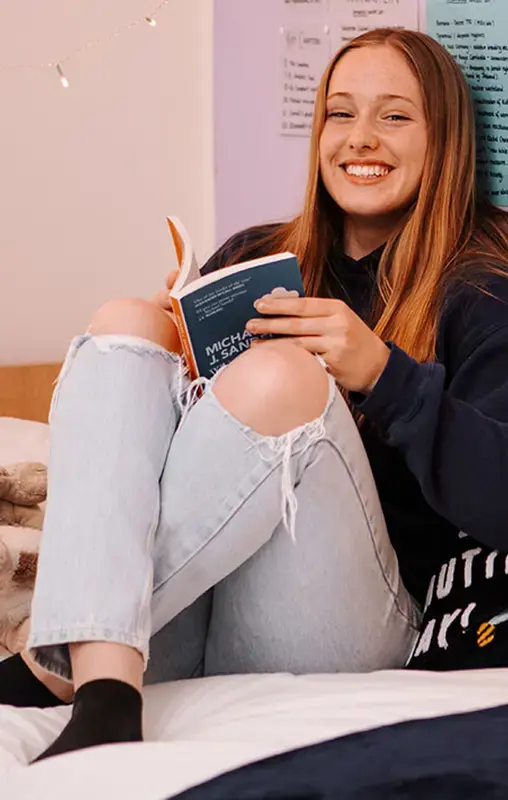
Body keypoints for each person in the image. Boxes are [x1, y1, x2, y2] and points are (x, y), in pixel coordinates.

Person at [2, 26, 508, 762]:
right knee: (127, 323)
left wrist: (384, 376)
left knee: (284, 376)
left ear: (446, 139)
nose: (361, 137)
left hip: (347, 619)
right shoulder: (255, 254)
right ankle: (106, 687)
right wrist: (175, 367)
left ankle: (49, 661)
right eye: (340, 112)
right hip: (183, 619)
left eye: (395, 116)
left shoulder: (480, 286)